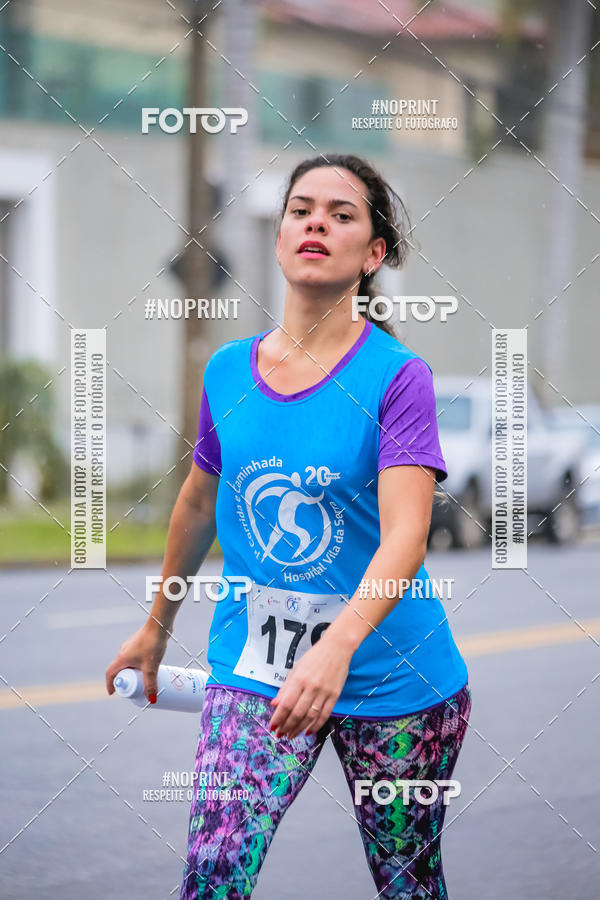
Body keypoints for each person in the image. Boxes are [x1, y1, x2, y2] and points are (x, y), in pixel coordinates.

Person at [106, 153, 471, 899]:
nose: (316, 223)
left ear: (373, 255)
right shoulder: (228, 371)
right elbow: (200, 504)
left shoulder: (398, 379)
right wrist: (156, 626)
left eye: (342, 215)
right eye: (302, 209)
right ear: (279, 238)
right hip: (258, 673)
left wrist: (336, 650)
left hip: (394, 679)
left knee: (407, 885)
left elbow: (407, 533)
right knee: (213, 875)